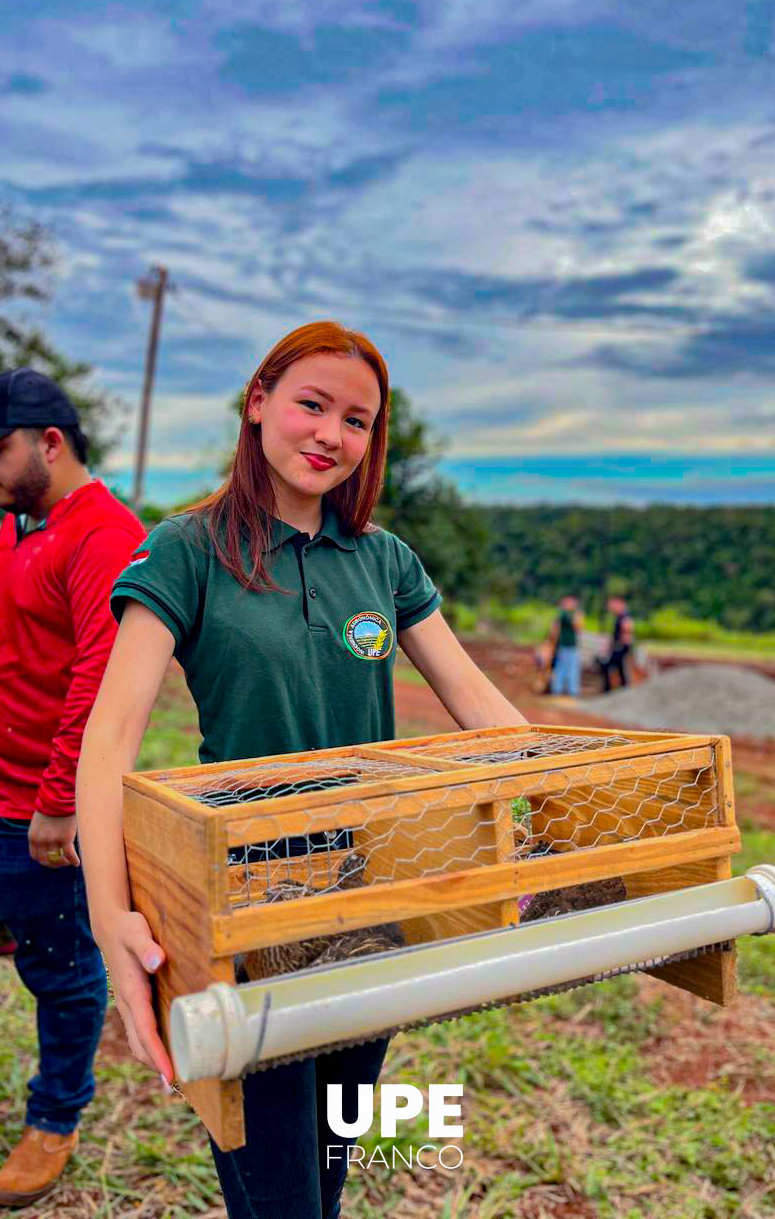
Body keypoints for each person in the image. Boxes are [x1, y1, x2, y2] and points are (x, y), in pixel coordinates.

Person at [75, 322, 527, 1219]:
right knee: (279, 1193)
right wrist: (108, 914)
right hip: (245, 903)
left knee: (328, 1163)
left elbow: (488, 714)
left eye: (356, 420)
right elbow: (111, 735)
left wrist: (576, 796)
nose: (330, 435)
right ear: (258, 404)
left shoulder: (384, 560)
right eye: (311, 405)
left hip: (372, 897)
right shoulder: (189, 549)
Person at [0, 369, 146, 1208]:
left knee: (65, 972)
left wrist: (60, 803)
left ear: (51, 443)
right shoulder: (23, 522)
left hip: (32, 816)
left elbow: (101, 677)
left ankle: (56, 1118)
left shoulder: (106, 535)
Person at [550, 595, 584, 697]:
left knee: (562, 668)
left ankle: (558, 689)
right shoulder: (566, 614)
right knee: (570, 669)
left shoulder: (562, 614)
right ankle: (572, 691)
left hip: (565, 645)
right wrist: (579, 615)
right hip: (568, 645)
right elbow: (578, 626)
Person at [598, 595, 633, 691]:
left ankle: (609, 688)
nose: (610, 608)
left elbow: (628, 629)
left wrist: (621, 644)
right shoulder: (619, 616)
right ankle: (620, 688)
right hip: (618, 646)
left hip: (620, 647)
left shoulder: (625, 616)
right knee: (617, 668)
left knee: (610, 666)